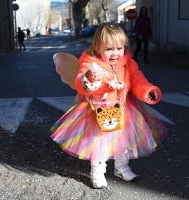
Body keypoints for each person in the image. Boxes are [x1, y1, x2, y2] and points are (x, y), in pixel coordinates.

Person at [50, 23, 166, 189]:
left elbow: (137, 79)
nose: (115, 53)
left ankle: (121, 167)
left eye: (119, 48)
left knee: (124, 141)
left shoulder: (127, 62)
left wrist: (148, 90)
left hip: (123, 109)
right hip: (98, 110)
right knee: (99, 142)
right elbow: (80, 82)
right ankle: (97, 171)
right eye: (109, 49)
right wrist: (90, 78)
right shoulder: (90, 61)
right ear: (97, 47)